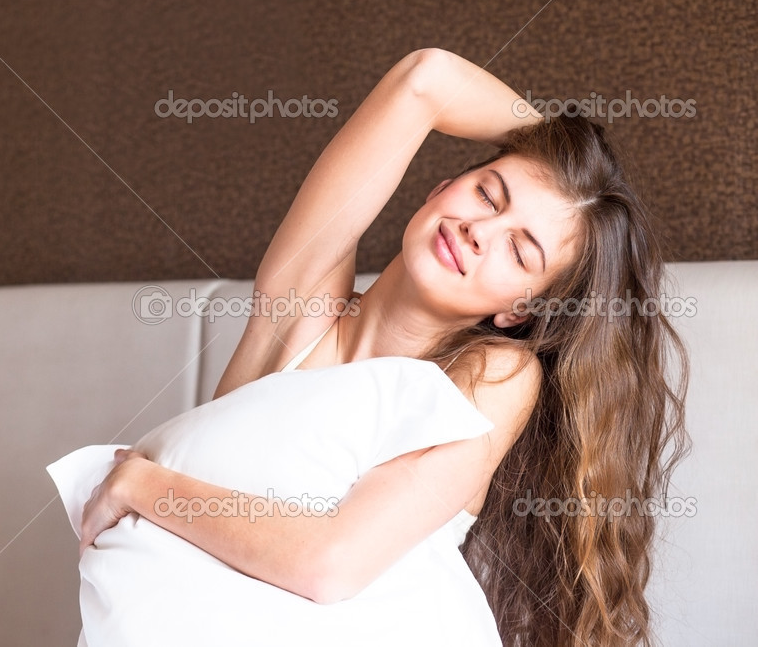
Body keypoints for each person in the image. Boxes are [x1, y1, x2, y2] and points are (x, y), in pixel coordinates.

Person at [77, 48, 689, 646]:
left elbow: (332, 564)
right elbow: (426, 78)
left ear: (519, 309)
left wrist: (139, 486)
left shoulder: (496, 373)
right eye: (486, 194)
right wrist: (565, 144)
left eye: (519, 250)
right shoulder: (295, 314)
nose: (479, 232)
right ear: (438, 188)